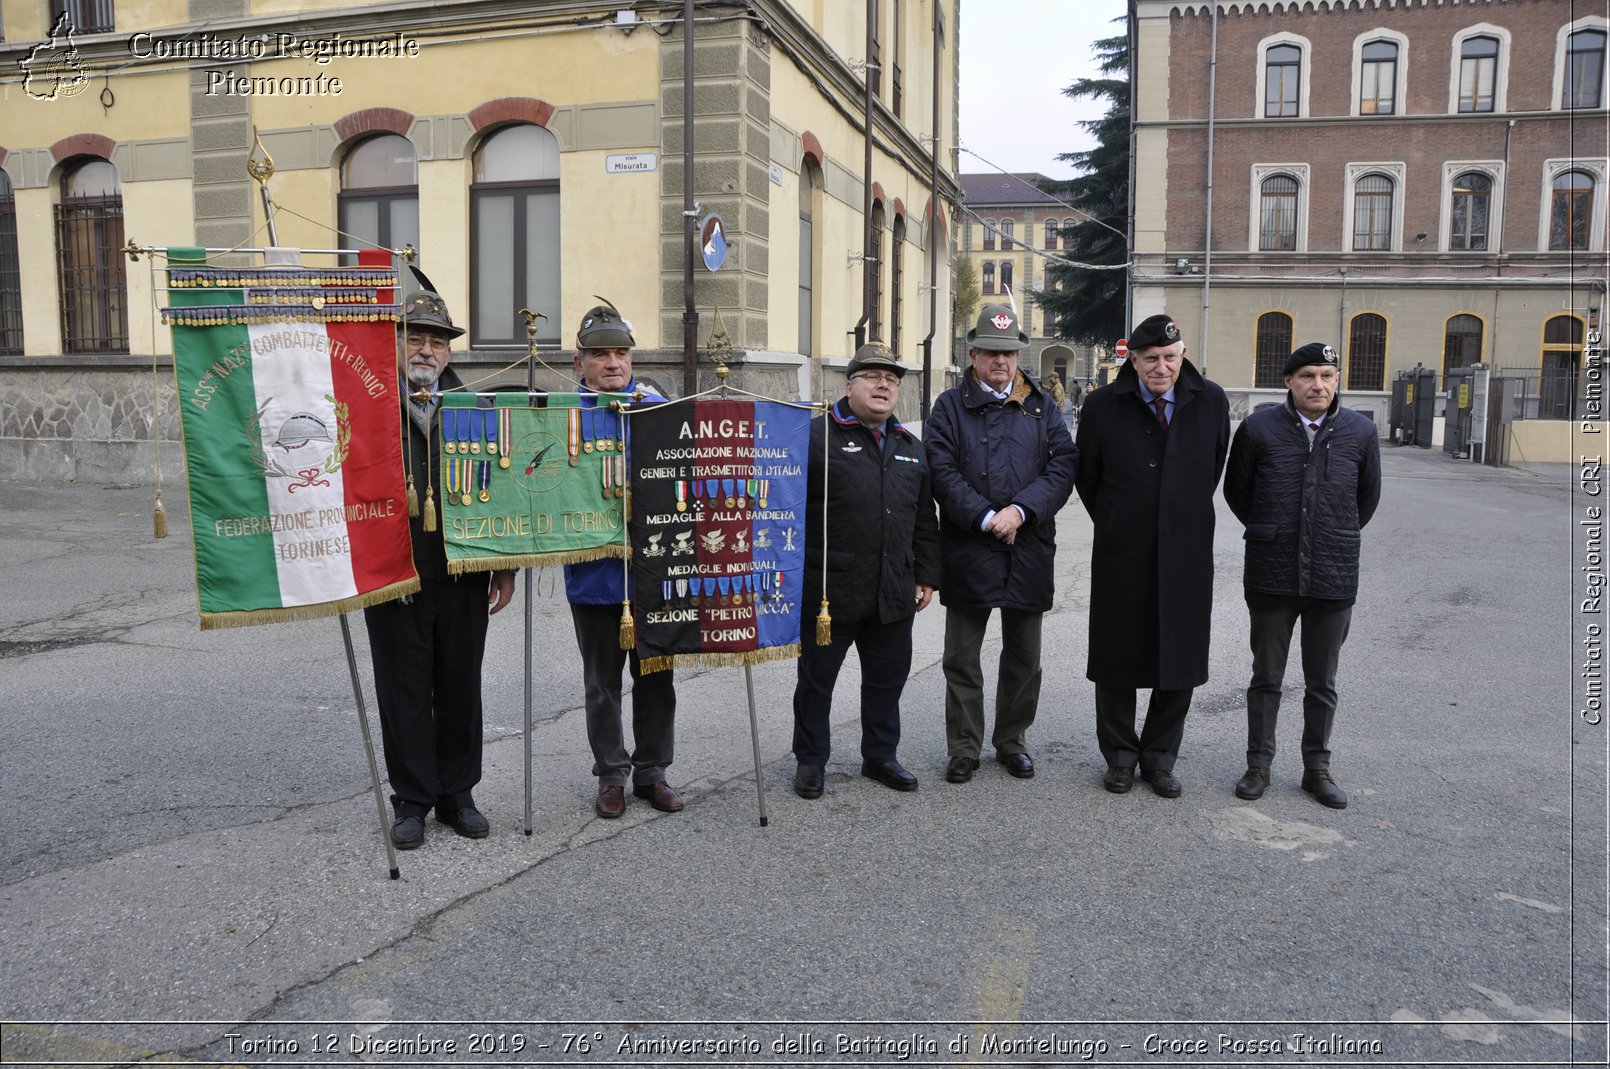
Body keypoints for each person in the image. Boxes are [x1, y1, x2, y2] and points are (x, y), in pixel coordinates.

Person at [364, 291, 516, 849]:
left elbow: (497, 489)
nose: (426, 350)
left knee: (459, 682)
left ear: (448, 354)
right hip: (393, 568)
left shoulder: (473, 408)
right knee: (403, 687)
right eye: (416, 338)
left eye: (437, 341)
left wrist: (504, 568)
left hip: (463, 568)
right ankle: (411, 799)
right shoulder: (367, 405)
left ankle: (458, 794)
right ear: (395, 343)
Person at [1074, 313, 1229, 798]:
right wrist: (1121, 519)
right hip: (1123, 547)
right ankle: (1120, 758)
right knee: (1118, 654)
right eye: (1150, 360)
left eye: (1169, 357)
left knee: (1178, 654)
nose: (1161, 368)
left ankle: (1160, 759)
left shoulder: (1211, 400)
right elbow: (1087, 477)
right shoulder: (1102, 406)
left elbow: (1213, 467)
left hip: (1185, 547)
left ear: (1182, 355)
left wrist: (1176, 514)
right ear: (1133, 361)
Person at [1223, 342, 1381, 810]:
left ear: (1337, 382)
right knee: (1266, 675)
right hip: (1272, 572)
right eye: (1309, 375)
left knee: (1322, 681)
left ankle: (1317, 769)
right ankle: (1259, 765)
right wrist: (1274, 529)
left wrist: (1334, 532)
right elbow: (1238, 492)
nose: (1319, 384)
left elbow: (1366, 501)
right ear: (1289, 381)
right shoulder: (1258, 429)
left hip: (1333, 574)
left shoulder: (1360, 431)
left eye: (1328, 376)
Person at [926, 305, 1077, 784]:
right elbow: (942, 472)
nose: (1001, 362)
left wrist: (1020, 512)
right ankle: (965, 748)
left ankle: (1012, 742)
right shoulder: (949, 407)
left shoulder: (1042, 407)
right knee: (962, 658)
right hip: (970, 547)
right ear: (972, 355)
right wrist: (988, 517)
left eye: (1008, 353)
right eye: (991, 352)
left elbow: (1063, 465)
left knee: (1024, 658)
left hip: (1028, 547)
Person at [792, 341, 941, 798]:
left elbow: (923, 518)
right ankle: (811, 760)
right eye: (873, 377)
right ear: (850, 384)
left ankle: (880, 755)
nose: (883, 385)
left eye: (892, 380)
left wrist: (927, 574)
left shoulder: (910, 446)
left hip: (892, 589)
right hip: (829, 590)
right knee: (817, 684)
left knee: (887, 680)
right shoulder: (813, 437)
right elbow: (787, 511)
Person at [563, 302, 683, 819]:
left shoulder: (659, 409)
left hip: (654, 568)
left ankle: (653, 771)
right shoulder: (558, 417)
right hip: (595, 571)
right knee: (602, 683)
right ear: (579, 363)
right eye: (600, 354)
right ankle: (611, 774)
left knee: (656, 676)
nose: (613, 363)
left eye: (621, 352)